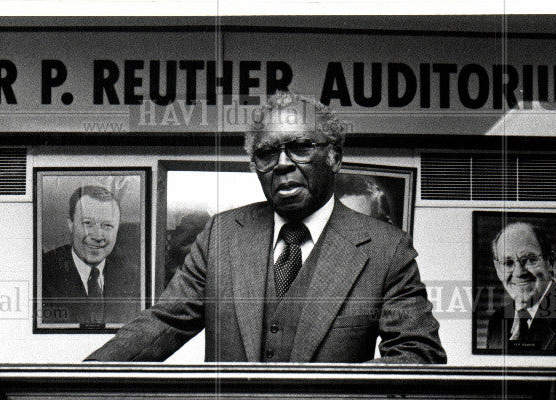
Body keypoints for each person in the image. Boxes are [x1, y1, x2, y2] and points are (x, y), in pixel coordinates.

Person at [86, 92, 445, 363]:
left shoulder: (386, 250)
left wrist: (340, 394)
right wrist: (81, 381)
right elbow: (163, 323)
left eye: (301, 147)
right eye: (267, 153)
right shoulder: (220, 236)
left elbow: (419, 354)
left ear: (334, 157)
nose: (283, 164)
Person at [41, 185, 140, 328]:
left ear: (117, 229)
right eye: (88, 223)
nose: (98, 236)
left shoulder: (134, 275)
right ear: (71, 224)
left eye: (107, 226)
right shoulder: (42, 271)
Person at [485, 221, 556, 354]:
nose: (519, 272)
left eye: (530, 259)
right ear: (498, 270)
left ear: (550, 262)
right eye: (508, 263)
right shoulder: (497, 322)